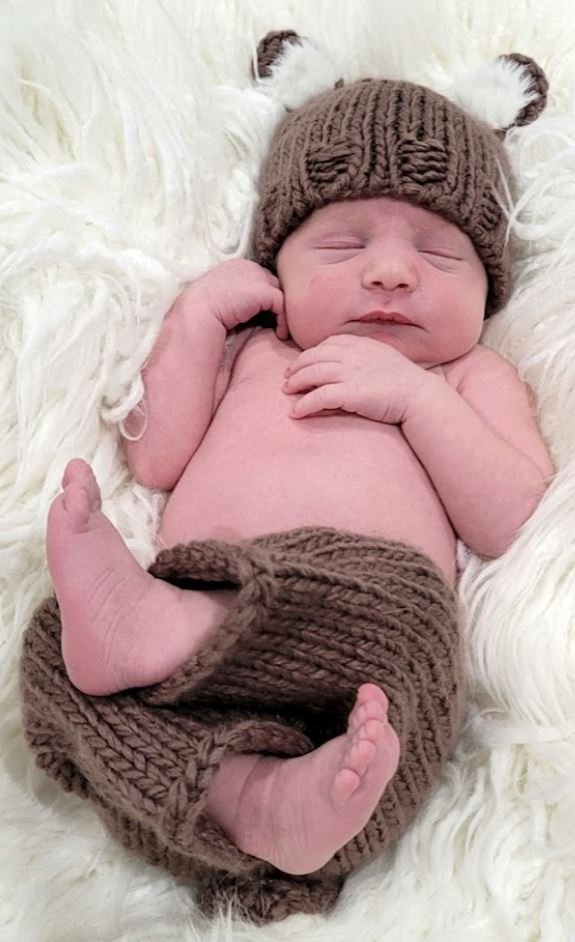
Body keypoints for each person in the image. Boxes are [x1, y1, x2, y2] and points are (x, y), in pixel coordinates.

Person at [20, 32, 554, 923]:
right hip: (202, 621)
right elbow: (155, 456)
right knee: (52, 653)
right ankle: (243, 783)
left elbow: (509, 516)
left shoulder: (466, 377)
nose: (391, 271)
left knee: (411, 629)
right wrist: (195, 323)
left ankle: (214, 720)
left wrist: (416, 401)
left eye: (440, 255)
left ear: (487, 288)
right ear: (277, 267)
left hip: (367, 660)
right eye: (342, 245)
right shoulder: (255, 349)